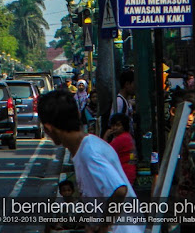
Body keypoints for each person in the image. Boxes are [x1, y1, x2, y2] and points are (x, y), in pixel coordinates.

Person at [38, 89, 144, 233]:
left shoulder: (89, 153)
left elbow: (119, 190)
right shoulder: (85, 148)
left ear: (48, 128)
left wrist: (104, 226)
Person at [103, 113, 137, 185]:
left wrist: (105, 136)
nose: (115, 128)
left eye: (118, 125)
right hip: (127, 172)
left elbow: (104, 152)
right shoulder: (127, 136)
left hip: (124, 173)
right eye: (113, 125)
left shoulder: (122, 138)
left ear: (124, 126)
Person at [111, 69, 136, 133]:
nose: (135, 87)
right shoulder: (119, 102)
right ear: (127, 84)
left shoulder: (126, 101)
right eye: (133, 84)